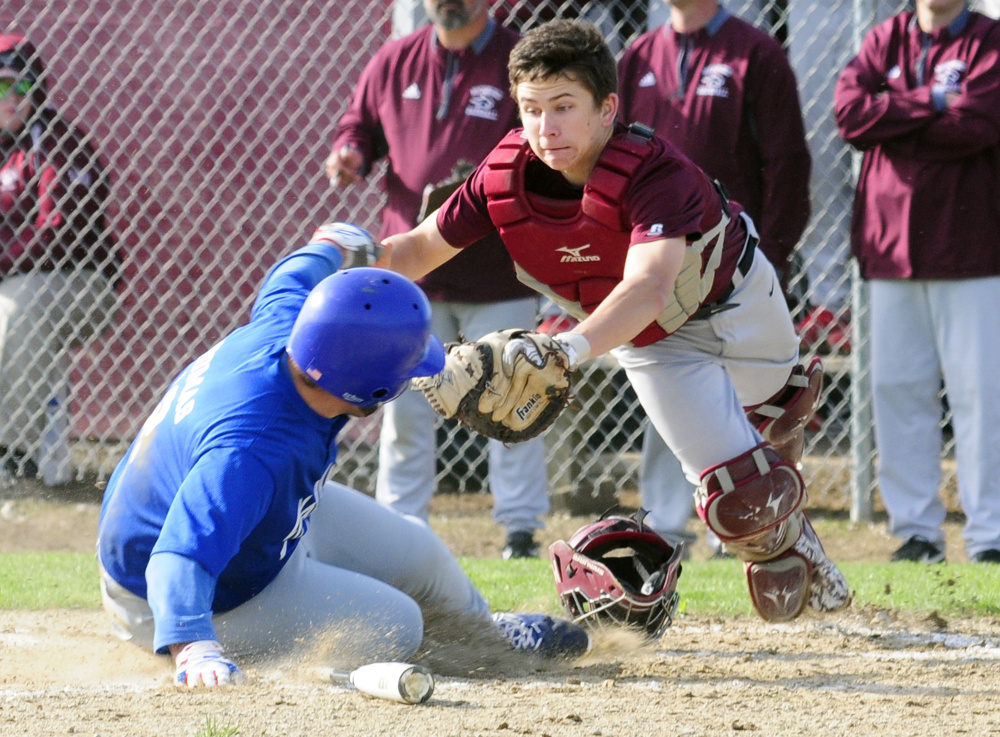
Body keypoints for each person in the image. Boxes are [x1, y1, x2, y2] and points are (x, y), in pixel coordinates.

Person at [384, 19, 850, 623]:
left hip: (736, 300)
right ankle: (804, 556)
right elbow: (415, 250)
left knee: (777, 416)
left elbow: (649, 286)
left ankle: (777, 452)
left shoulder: (656, 172)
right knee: (742, 505)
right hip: (655, 344)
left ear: (607, 108)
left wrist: (566, 350)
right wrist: (338, 262)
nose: (545, 127)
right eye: (530, 109)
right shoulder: (502, 179)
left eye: (563, 106)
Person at [96, 224, 589, 688]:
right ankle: (247, 651)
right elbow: (177, 557)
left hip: (254, 530)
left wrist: (333, 242)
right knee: (397, 626)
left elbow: (294, 273)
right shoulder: (253, 451)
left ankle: (486, 632)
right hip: (166, 594)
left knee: (422, 553)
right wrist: (193, 646)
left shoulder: (295, 328)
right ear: (366, 389)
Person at [327, 0, 551, 559]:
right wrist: (349, 152)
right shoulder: (395, 59)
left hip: (497, 270)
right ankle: (402, 525)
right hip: (413, 275)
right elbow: (360, 126)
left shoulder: (514, 57)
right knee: (404, 405)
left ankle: (520, 531)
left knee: (512, 395)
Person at [617, 0, 812, 555]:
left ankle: (743, 524)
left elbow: (788, 161)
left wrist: (768, 253)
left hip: (733, 261)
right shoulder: (638, 55)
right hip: (661, 254)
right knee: (667, 387)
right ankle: (665, 524)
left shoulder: (756, 51)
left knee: (741, 394)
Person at [834, 0, 1000, 564]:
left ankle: (990, 536)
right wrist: (930, 101)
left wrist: (892, 119)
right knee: (899, 392)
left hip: (973, 248)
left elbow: (976, 124)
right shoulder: (885, 38)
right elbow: (850, 115)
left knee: (982, 396)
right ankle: (917, 532)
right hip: (891, 249)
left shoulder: (988, 41)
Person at [0, 33, 120, 483]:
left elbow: (60, 229)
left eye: (20, 86)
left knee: (17, 308)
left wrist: (5, 262)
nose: (10, 99)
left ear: (38, 89)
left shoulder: (55, 140)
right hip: (14, 280)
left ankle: (16, 455)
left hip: (81, 281)